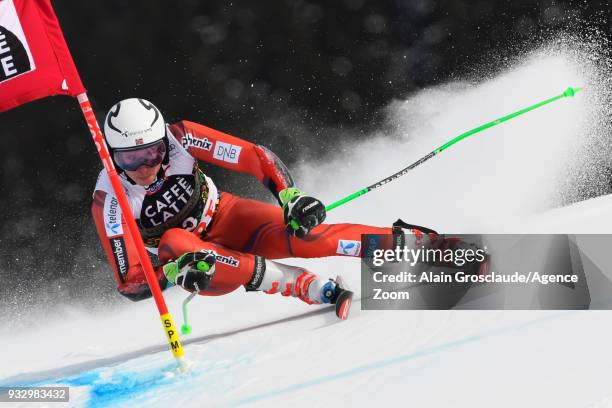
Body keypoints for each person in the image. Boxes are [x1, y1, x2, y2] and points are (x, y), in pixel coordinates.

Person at [90, 98, 467, 320]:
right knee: (174, 238)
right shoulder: (108, 198)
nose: (144, 167)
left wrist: (290, 196)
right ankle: (306, 286)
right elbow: (131, 282)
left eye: (152, 152)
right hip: (201, 264)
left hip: (227, 217)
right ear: (112, 154)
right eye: (130, 157)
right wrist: (173, 272)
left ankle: (416, 245)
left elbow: (253, 156)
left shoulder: (182, 137)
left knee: (309, 237)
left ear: (163, 143)